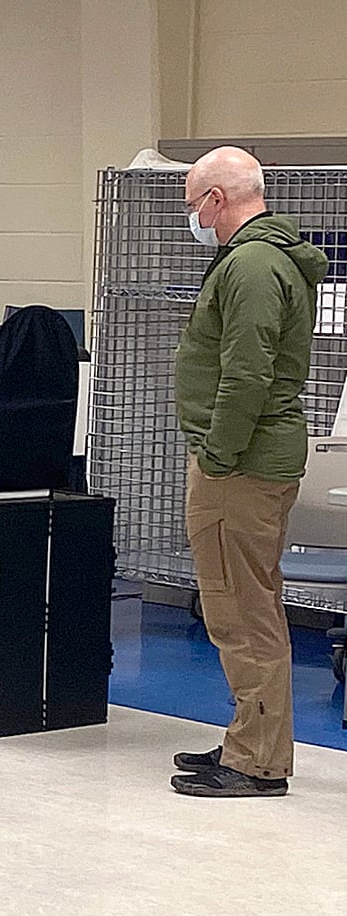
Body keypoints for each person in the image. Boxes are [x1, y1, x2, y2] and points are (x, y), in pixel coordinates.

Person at [170, 146, 326, 799]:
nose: (193, 219)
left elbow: (248, 374)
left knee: (242, 607)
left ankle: (258, 760)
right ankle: (249, 737)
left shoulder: (256, 265)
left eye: (192, 206)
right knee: (237, 604)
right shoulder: (260, 258)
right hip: (248, 460)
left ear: (216, 199)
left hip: (242, 464)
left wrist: (219, 456)